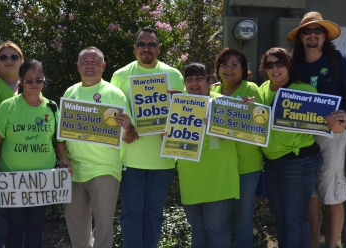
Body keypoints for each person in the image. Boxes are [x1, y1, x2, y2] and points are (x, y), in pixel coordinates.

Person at [287, 12, 346, 248]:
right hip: (302, 137)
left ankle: (331, 246)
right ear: (300, 37)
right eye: (307, 31)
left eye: (317, 31)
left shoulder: (340, 62)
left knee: (332, 196)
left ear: (325, 36)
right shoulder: (293, 66)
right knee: (310, 196)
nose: (312, 35)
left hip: (334, 136)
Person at [110, 27, 185, 248]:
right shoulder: (121, 75)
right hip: (130, 158)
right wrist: (126, 130)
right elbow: (113, 114)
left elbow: (182, 114)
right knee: (131, 213)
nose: (146, 48)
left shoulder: (173, 75)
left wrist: (174, 126)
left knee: (154, 214)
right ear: (134, 48)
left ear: (159, 48)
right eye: (141, 44)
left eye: (151, 44)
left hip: (162, 158)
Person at [57, 47, 134, 248]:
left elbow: (129, 137)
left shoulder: (115, 94)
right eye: (85, 60)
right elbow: (61, 134)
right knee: (76, 227)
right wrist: (63, 157)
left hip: (105, 169)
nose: (89, 64)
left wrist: (127, 127)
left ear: (103, 66)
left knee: (103, 226)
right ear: (78, 66)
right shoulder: (70, 92)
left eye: (94, 61)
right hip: (74, 170)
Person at [0, 59, 58, 248]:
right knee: (15, 227)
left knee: (36, 227)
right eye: (29, 80)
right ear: (20, 80)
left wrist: (65, 159)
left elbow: (59, 139)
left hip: (42, 180)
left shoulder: (52, 107)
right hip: (13, 180)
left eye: (39, 79)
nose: (34, 84)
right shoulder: (7, 106)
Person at [257, 47, 322, 247]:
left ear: (288, 65)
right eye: (270, 65)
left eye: (280, 63)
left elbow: (320, 120)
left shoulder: (305, 90)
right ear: (265, 69)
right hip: (271, 163)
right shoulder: (262, 90)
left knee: (295, 219)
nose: (275, 68)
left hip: (299, 161)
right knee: (281, 218)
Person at [177, 63, 239, 248]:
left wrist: (216, 123)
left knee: (216, 228)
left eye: (199, 78)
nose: (194, 83)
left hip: (218, 177)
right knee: (197, 228)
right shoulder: (178, 105)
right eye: (189, 79)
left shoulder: (223, 102)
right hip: (190, 178)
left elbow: (239, 132)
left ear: (209, 81)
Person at [210, 47, 262, 248]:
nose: (229, 69)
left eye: (235, 65)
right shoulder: (212, 90)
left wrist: (250, 110)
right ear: (218, 68)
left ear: (243, 69)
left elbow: (261, 122)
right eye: (224, 64)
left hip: (246, 165)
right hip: (219, 165)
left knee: (243, 219)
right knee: (218, 220)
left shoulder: (251, 90)